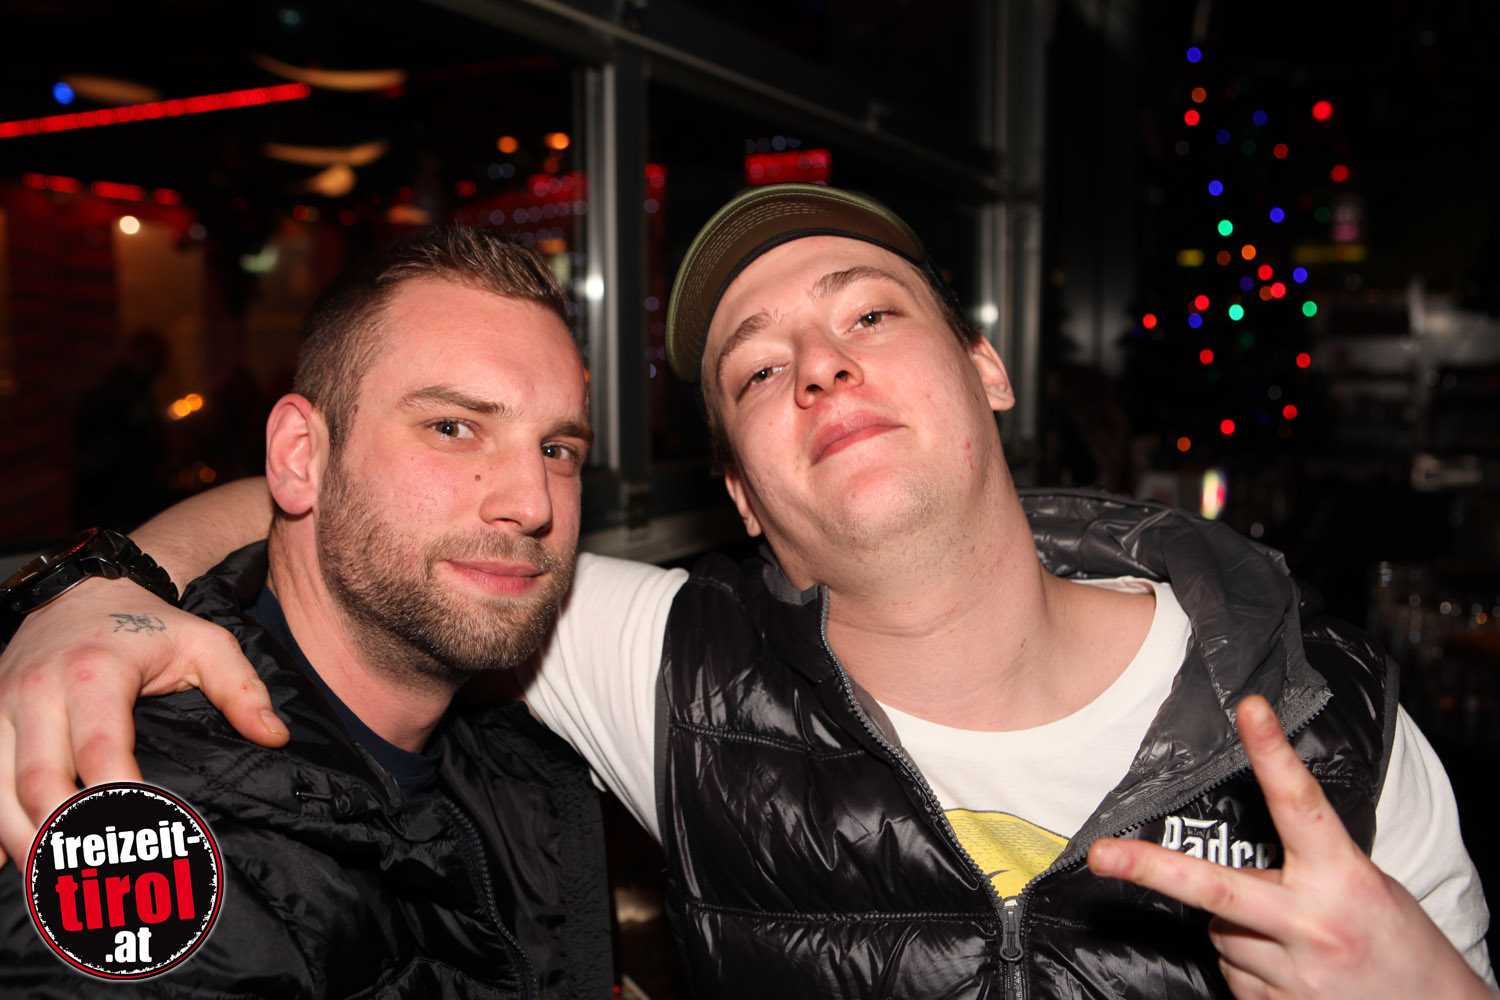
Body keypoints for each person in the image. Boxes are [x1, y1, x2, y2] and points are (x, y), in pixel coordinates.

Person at [0, 184, 1492, 999]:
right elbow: (344, 520)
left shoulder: (1323, 724)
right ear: (742, 497)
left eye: (870, 315)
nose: (821, 365)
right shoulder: (667, 664)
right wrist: (90, 593)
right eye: (758, 370)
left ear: (986, 368)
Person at [0, 228, 612, 997]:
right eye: (453, 428)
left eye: (557, 449)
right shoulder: (151, 838)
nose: (531, 503)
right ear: (300, 456)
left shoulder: (505, 746)